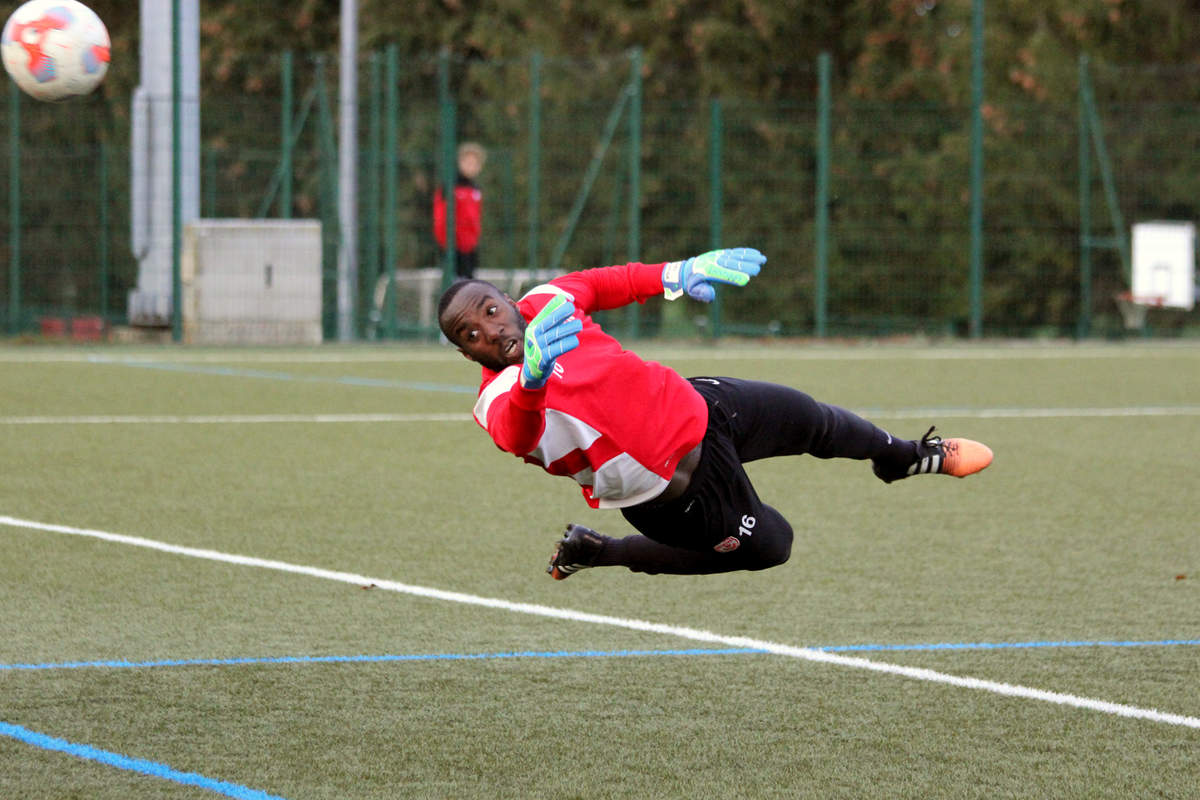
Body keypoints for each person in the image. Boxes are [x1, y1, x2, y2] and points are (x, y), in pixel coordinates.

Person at [437, 249, 993, 579]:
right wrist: (532, 379)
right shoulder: (498, 399)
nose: (492, 330)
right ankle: (603, 551)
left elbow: (606, 282)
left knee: (809, 417)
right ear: (467, 355)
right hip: (676, 493)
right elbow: (517, 432)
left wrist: (677, 272)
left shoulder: (545, 301)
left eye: (491, 311)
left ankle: (901, 457)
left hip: (701, 407)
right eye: (472, 334)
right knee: (774, 545)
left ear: (509, 301)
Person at [432, 142, 486, 279]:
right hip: (452, 249)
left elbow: (475, 219)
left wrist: (473, 241)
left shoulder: (476, 190)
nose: (471, 167)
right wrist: (446, 244)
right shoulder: (449, 187)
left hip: (470, 250)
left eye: (475, 163)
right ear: (460, 163)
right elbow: (440, 218)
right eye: (468, 162)